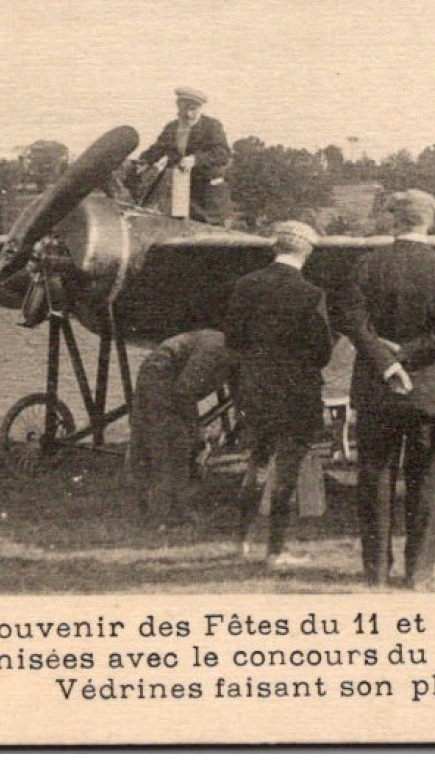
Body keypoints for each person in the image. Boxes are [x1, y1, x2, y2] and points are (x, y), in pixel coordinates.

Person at [333, 189, 435, 589]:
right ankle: (419, 572)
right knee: (426, 481)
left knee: (374, 477)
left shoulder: (367, 265)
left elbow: (352, 321)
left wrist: (387, 359)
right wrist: (410, 353)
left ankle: (375, 572)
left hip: (377, 388)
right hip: (427, 391)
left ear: (395, 221)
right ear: (429, 222)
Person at [223, 221, 334, 572]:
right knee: (286, 471)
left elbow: (233, 340)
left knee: (256, 462)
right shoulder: (311, 294)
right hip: (296, 390)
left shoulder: (245, 286)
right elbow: (322, 353)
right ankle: (275, 550)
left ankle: (240, 543)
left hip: (255, 386)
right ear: (308, 251)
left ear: (275, 247)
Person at [124, 329, 237, 526]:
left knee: (156, 443)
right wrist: (195, 429)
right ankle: (167, 514)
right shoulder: (218, 351)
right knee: (174, 444)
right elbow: (184, 392)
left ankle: (151, 509)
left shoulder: (228, 350)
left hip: (160, 370)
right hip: (160, 376)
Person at [136, 86, 232, 224]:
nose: (187, 114)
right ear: (178, 107)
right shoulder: (172, 127)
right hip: (181, 189)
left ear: (200, 108)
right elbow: (158, 148)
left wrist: (195, 159)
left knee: (209, 233)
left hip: (208, 192)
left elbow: (223, 153)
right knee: (179, 228)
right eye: (183, 109)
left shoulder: (212, 126)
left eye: (192, 109)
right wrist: (144, 160)